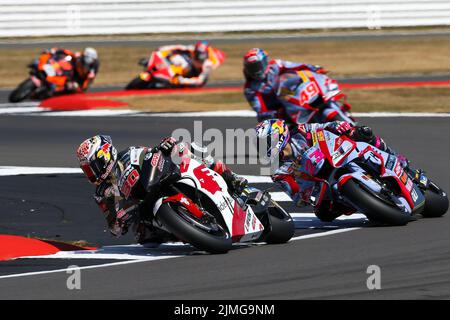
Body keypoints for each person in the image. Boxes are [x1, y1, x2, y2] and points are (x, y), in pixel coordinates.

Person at [76, 135, 247, 243]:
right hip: (143, 210)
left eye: (93, 166)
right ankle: (185, 231)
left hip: (161, 180)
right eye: (88, 170)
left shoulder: (129, 154)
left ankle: (231, 177)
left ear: (104, 155)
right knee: (144, 238)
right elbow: (114, 228)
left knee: (187, 147)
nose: (92, 173)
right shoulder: (102, 193)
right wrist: (120, 221)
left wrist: (166, 145)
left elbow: (153, 153)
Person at [255, 119, 412, 222]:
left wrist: (337, 126)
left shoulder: (301, 131)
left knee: (363, 132)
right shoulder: (276, 172)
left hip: (337, 154)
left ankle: (399, 160)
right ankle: (363, 203)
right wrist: (303, 196)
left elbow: (323, 127)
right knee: (323, 214)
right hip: (320, 185)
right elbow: (295, 195)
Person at [243, 48, 327, 122]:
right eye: (252, 68)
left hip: (292, 98)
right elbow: (260, 111)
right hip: (279, 113)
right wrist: (276, 114)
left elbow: (296, 66)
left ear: (265, 62)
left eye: (257, 66)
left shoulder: (276, 65)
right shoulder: (250, 89)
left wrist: (314, 68)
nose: (256, 70)